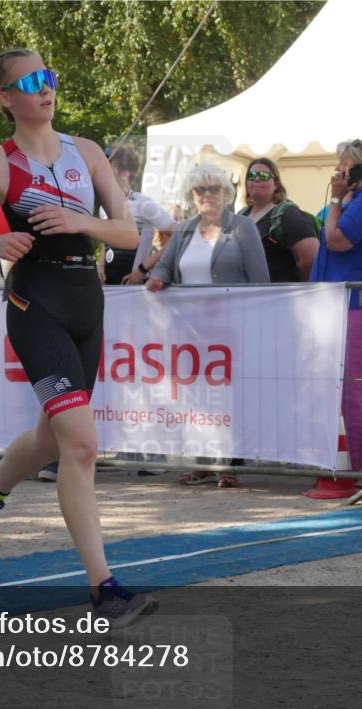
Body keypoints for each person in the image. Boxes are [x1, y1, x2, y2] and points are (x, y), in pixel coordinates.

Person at [0, 47, 155, 627]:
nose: (45, 87)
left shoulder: (88, 152)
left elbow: (128, 232)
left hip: (87, 302)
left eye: (48, 76)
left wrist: (83, 222)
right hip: (35, 304)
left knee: (52, 437)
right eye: (30, 81)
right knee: (80, 444)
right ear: (6, 98)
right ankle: (105, 590)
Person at [146, 163, 269, 488]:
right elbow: (165, 267)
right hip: (189, 333)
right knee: (195, 398)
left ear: (225, 192)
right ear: (192, 194)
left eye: (213, 189)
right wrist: (157, 279)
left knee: (230, 399)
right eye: (200, 189)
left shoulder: (242, 227)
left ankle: (229, 465)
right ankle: (199, 462)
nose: (206, 195)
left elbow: (261, 280)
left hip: (233, 331)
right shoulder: (185, 229)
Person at [310, 138, 362, 472]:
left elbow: (336, 240)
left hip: (358, 306)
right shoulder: (359, 199)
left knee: (356, 390)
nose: (337, 171)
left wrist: (335, 200)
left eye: (344, 166)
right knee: (354, 388)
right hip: (344, 304)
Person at [98, 145, 177, 285]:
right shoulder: (104, 206)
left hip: (135, 288)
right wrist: (100, 265)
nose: (101, 171)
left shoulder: (143, 204)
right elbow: (107, 240)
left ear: (125, 173)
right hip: (110, 287)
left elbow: (178, 235)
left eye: (108, 166)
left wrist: (143, 269)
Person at [238, 157, 319, 281]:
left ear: (276, 184)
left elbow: (311, 256)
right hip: (244, 291)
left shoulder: (287, 215)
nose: (257, 179)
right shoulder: (241, 215)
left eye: (264, 176)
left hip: (277, 292)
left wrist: (299, 288)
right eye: (252, 175)